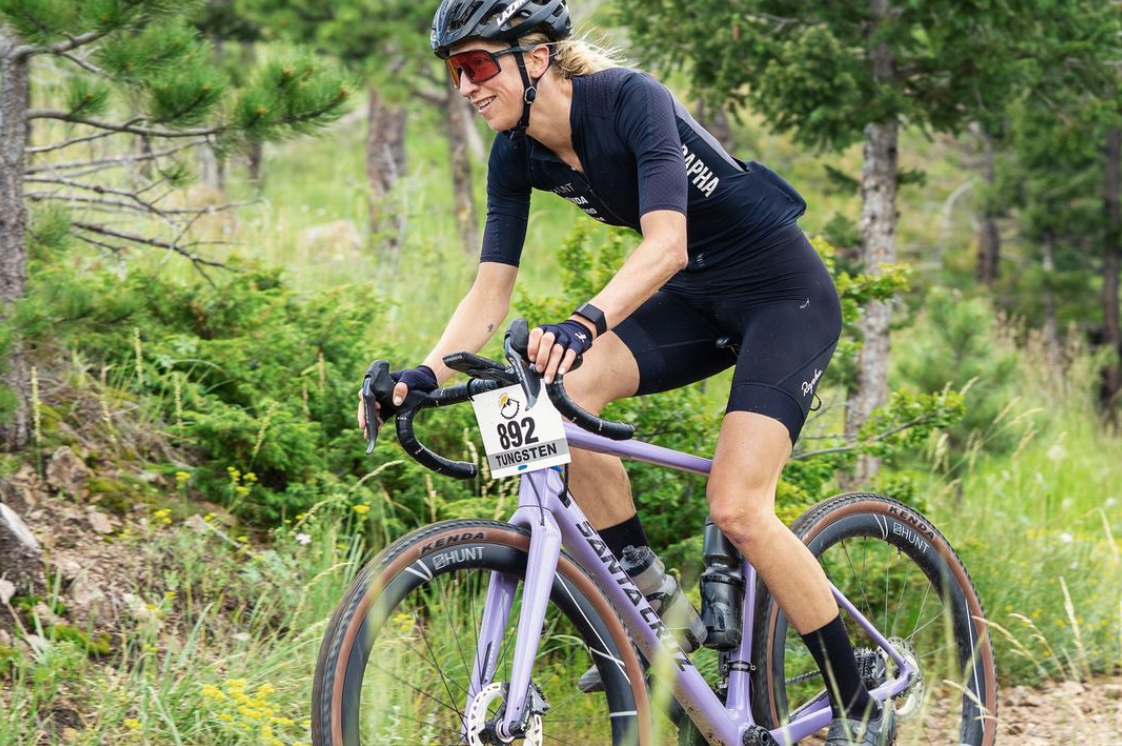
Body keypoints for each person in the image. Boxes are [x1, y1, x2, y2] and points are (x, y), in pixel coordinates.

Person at [358, 0, 893, 743]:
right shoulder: (515, 153)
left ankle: (858, 704)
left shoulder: (629, 101)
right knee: (560, 405)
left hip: (782, 296)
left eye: (477, 64)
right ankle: (654, 604)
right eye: (454, 72)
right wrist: (422, 374)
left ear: (534, 56)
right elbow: (490, 291)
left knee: (739, 506)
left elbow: (666, 245)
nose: (466, 86)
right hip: (694, 302)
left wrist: (583, 321)